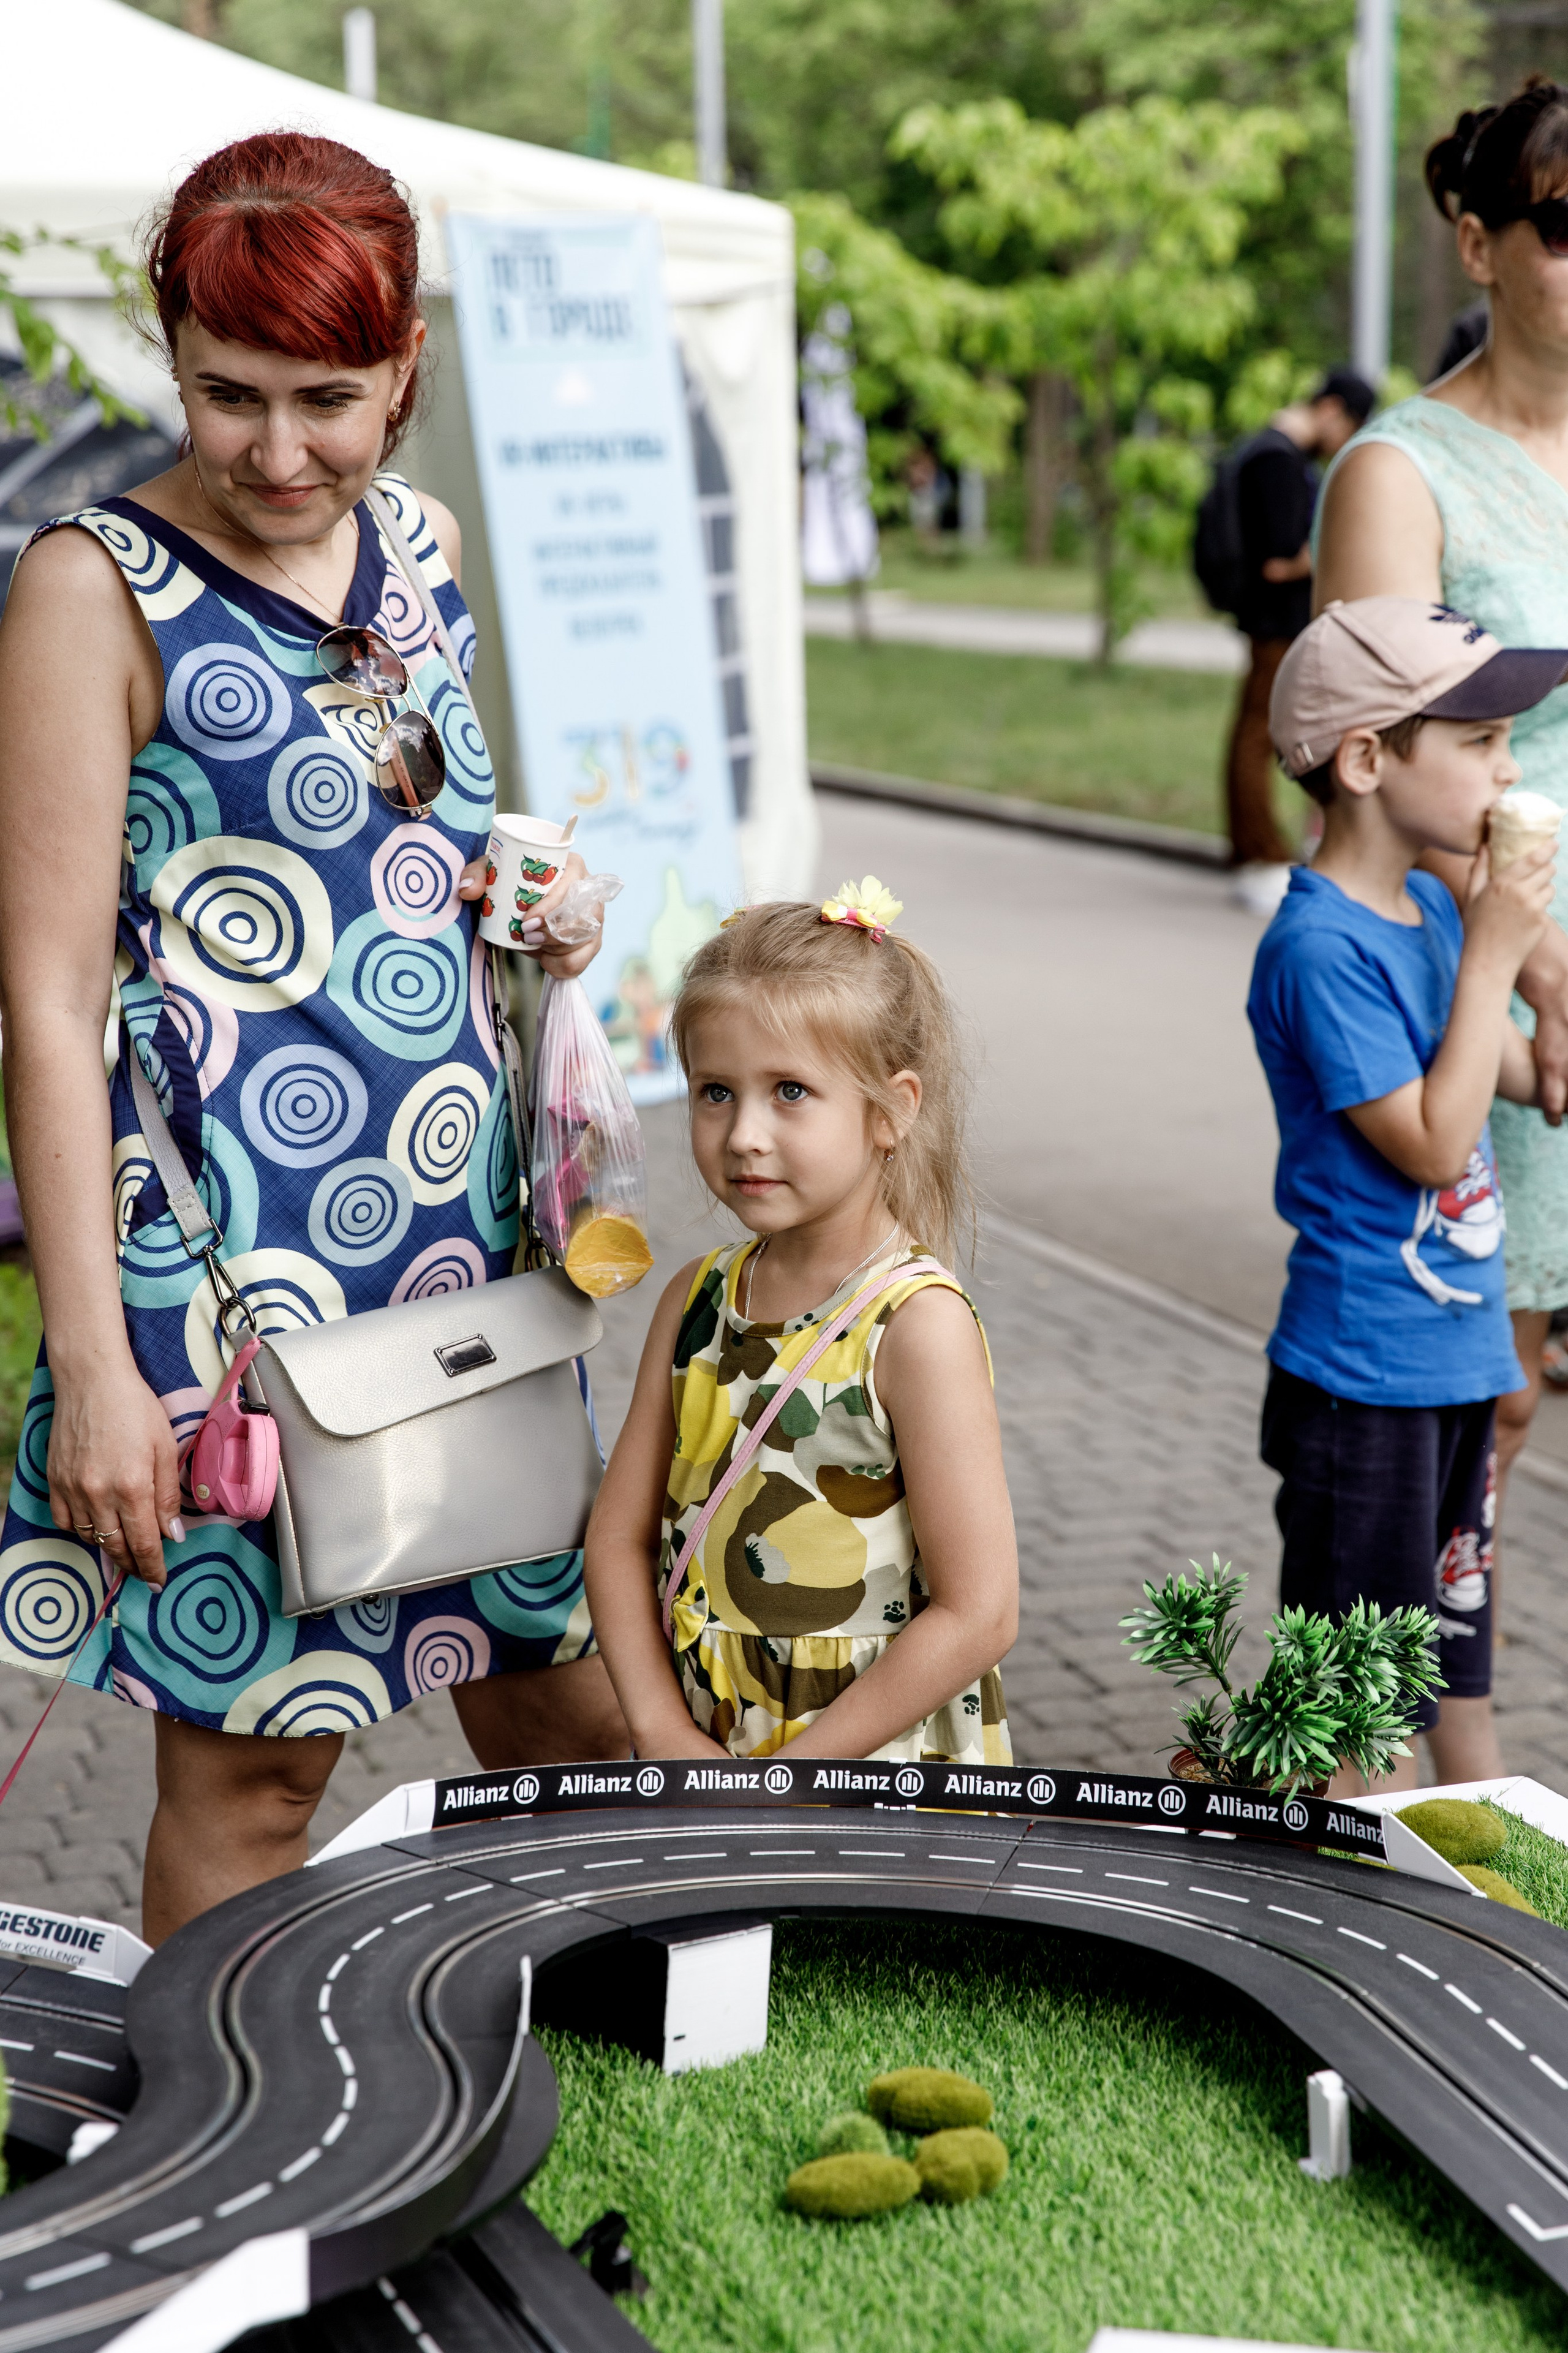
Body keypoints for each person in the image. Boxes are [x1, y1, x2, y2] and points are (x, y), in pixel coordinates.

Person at [0, 132, 627, 1945]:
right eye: (228, 393)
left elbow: (411, 848)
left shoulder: (416, 546)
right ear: (170, 354)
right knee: (256, 1769)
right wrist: (98, 1354)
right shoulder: (88, 585)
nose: (280, 452)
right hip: (223, 1275)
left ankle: (562, 2078)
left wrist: (543, 922)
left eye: (329, 401)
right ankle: (227, 2172)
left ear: (406, 363)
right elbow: (40, 996)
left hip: (457, 1248)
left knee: (554, 1705)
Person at [583, 882, 1017, 1763]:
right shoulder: (695, 1301)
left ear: (893, 1109)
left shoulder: (914, 1327)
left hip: (871, 1776)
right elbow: (616, 1538)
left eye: (789, 1091)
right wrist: (660, 1728)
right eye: (714, 1092)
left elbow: (981, 1612)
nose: (743, 1133)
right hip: (705, 1753)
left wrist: (792, 1777)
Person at [1247, 598, 1565, 1793]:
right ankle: (1329, 1924)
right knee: (1347, 1716)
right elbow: (1434, 1144)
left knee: (1456, 1661)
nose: (1507, 768)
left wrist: (1526, 989)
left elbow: (1521, 1079)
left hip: (1456, 1364)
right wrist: (1493, 951)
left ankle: (1485, 1875)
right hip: (1360, 1382)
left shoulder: (1429, 909)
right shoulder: (1317, 948)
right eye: (1478, 741)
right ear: (1367, 761)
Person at [1314, 80, 1568, 1566]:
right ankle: (1396, 1763)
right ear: (1474, 245)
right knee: (1489, 1402)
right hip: (1490, 991)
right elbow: (1376, 775)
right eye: (1560, 228)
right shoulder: (1399, 474)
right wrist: (1537, 967)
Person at [1226, 369, 1376, 916]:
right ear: (1332, 410)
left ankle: (1256, 852)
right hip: (1276, 622)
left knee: (1254, 734)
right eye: (1350, 426)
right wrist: (1339, 541)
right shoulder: (1279, 461)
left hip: (1270, 622)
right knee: (1258, 738)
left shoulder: (1265, 452)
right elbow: (1279, 558)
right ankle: (1260, 854)